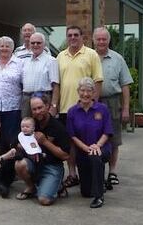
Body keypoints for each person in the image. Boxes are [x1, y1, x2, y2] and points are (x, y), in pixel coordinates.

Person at [57, 25, 103, 188]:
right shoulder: (60, 56)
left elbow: (98, 81)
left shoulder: (91, 54)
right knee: (70, 142)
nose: (73, 38)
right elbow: (57, 84)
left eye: (76, 35)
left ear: (82, 37)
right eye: (70, 35)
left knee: (87, 140)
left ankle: (90, 173)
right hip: (65, 108)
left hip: (85, 108)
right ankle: (72, 174)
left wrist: (94, 104)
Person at [93, 26, 133, 187]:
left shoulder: (118, 59)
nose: (101, 42)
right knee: (94, 137)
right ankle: (96, 172)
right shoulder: (88, 57)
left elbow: (125, 85)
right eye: (98, 39)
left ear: (109, 40)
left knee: (114, 138)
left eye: (104, 39)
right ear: (93, 40)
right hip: (93, 103)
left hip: (112, 102)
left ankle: (112, 172)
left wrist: (126, 108)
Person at [14, 94, 71, 206]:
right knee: (19, 164)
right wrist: (20, 145)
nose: (37, 112)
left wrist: (45, 142)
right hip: (35, 163)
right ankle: (31, 187)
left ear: (47, 106)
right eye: (34, 109)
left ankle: (58, 185)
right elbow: (16, 140)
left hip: (52, 166)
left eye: (40, 108)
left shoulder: (58, 127)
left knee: (44, 200)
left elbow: (65, 155)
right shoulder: (30, 124)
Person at [66, 78, 113, 208]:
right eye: (82, 90)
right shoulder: (72, 112)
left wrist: (97, 145)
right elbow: (72, 136)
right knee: (86, 192)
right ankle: (99, 183)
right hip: (83, 151)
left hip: (102, 148)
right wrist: (86, 148)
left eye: (89, 91)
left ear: (93, 93)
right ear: (78, 91)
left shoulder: (102, 109)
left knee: (95, 156)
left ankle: (99, 196)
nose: (85, 94)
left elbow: (107, 132)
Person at [0, 36, 24, 140]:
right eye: (1, 46)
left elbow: (24, 84)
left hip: (13, 106)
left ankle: (11, 150)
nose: (4, 48)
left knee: (11, 136)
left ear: (12, 48)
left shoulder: (20, 63)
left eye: (7, 46)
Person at [20, 32, 60, 117]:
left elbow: (56, 86)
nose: (35, 45)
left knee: (44, 124)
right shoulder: (25, 62)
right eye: (33, 43)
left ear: (44, 44)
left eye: (38, 43)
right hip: (27, 100)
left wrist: (54, 106)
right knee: (27, 124)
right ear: (29, 44)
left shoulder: (51, 61)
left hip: (44, 98)